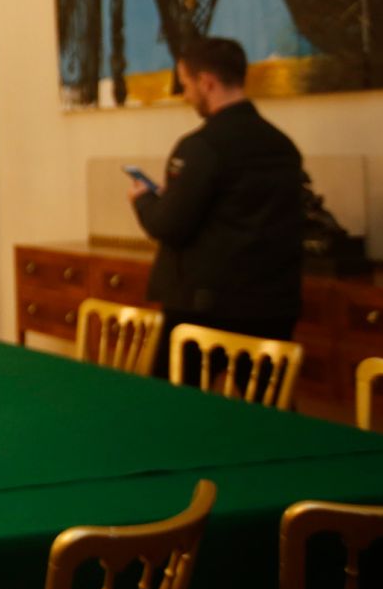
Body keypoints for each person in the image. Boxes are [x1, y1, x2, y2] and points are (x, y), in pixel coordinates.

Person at [129, 35, 305, 379]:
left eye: (186, 85)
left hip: (207, 307)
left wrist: (145, 199)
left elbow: (169, 225)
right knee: (268, 413)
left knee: (172, 410)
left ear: (206, 82)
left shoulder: (201, 147)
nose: (186, 95)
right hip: (273, 303)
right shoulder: (282, 145)